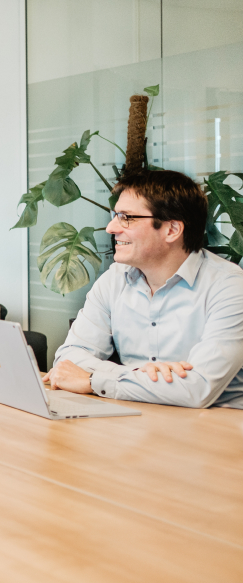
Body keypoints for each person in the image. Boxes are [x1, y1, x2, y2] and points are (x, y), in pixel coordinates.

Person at [46, 169, 243, 409]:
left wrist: (92, 379)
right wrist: (139, 372)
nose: (111, 228)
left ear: (172, 230)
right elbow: (68, 358)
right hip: (139, 415)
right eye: (115, 215)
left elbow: (197, 388)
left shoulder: (230, 287)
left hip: (217, 428)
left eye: (126, 217)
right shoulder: (115, 280)